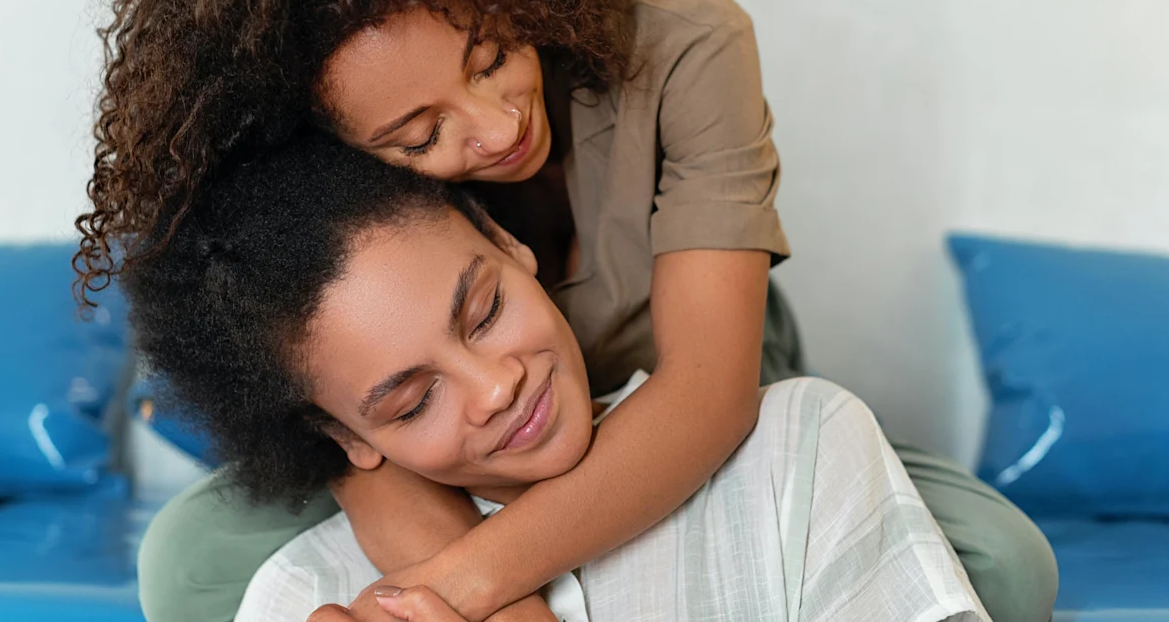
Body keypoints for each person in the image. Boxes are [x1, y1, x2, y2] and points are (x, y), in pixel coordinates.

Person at [77, 0, 1057, 620]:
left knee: (996, 568)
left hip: (688, 389)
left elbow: (705, 398)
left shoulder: (685, 42)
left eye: (493, 54)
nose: (498, 127)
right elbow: (368, 438)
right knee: (193, 566)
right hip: (450, 454)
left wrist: (465, 589)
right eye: (418, 136)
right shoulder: (317, 156)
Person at [122, 137, 990, 622]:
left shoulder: (802, 449)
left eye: (485, 310)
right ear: (347, 440)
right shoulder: (301, 596)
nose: (494, 385)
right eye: (415, 398)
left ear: (511, 246)